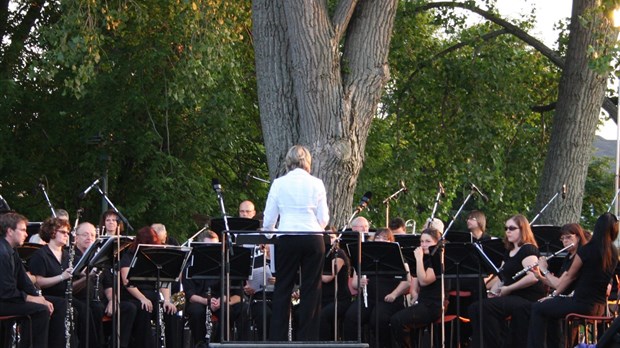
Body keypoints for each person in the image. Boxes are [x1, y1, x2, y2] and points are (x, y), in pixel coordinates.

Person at [262, 145, 329, 341]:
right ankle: (308, 339)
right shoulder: (317, 183)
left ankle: (278, 339)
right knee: (311, 288)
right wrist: (314, 227)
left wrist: (269, 235)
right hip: (313, 238)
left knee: (283, 287)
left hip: (287, 237)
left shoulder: (279, 183)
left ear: (288, 161)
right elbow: (323, 218)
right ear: (308, 161)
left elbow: (269, 219)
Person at [527, 213, 619, 348]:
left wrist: (552, 293)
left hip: (582, 304)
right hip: (600, 308)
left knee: (537, 308)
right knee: (551, 311)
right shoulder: (614, 252)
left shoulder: (586, 250)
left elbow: (570, 276)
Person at [468, 214, 545, 348]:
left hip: (527, 298)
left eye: (512, 228)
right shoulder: (509, 251)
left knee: (483, 308)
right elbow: (502, 278)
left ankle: (496, 343)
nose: (507, 231)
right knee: (474, 308)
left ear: (522, 230)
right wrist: (492, 292)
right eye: (506, 228)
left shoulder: (528, 249)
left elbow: (532, 277)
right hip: (513, 296)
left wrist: (509, 289)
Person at [343, 228, 410, 347]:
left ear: (391, 242)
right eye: (378, 237)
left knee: (378, 319)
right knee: (351, 316)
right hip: (369, 299)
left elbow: (407, 282)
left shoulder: (398, 258)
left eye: (385, 238)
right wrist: (360, 282)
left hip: (389, 300)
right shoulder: (364, 257)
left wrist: (394, 294)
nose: (380, 240)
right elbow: (354, 283)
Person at [29, 217, 89, 348]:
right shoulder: (40, 255)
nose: (67, 235)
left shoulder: (67, 255)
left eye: (68, 233)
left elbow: (72, 282)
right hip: (47, 296)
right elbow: (38, 282)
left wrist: (86, 276)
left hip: (64, 295)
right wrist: (61, 277)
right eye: (63, 232)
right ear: (52, 232)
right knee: (68, 309)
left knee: (86, 309)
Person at [0, 212, 53, 348]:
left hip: (8, 299)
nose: (26, 234)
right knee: (41, 311)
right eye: (23, 230)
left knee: (52, 305)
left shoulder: (12, 250)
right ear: (10, 231)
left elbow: (24, 281)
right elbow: (6, 292)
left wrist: (39, 298)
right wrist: (33, 299)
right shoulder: (2, 253)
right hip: (3, 301)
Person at [183, 230, 243, 346]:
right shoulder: (190, 265)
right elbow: (189, 294)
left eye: (216, 246)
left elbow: (236, 293)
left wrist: (223, 299)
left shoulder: (226, 266)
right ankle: (200, 343)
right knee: (196, 312)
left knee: (227, 311)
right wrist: (207, 301)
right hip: (199, 300)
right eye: (209, 246)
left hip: (220, 300)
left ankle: (220, 343)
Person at [119, 226, 177, 348]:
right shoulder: (128, 256)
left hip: (153, 295)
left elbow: (163, 281)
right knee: (144, 309)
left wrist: (167, 300)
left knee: (170, 311)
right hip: (133, 297)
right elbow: (127, 282)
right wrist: (142, 298)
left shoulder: (155, 257)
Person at [390, 228, 443, 348]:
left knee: (397, 320)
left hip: (433, 305)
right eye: (422, 241)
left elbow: (424, 281)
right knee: (397, 318)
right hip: (423, 302)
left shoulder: (437, 259)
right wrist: (414, 293)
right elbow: (415, 280)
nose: (423, 245)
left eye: (427, 241)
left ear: (436, 243)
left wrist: (418, 259)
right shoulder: (425, 259)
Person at [72, 222, 105, 348]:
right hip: (78, 298)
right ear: (76, 237)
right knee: (88, 309)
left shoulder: (98, 257)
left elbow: (107, 282)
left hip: (96, 298)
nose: (89, 238)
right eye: (85, 235)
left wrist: (113, 299)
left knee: (99, 307)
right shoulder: (70, 255)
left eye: (92, 235)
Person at [319, 228, 352, 340]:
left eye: (331, 237)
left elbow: (328, 277)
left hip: (339, 299)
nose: (328, 240)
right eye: (325, 238)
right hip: (322, 298)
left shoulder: (339, 254)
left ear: (337, 239)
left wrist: (310, 273)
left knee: (322, 316)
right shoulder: (320, 255)